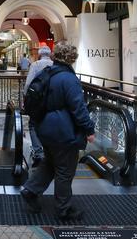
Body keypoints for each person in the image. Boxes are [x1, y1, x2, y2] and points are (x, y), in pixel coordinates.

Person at [20, 43, 95, 221]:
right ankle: (63, 209)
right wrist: (89, 129)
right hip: (63, 132)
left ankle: (30, 190)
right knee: (65, 170)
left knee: (51, 163)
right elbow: (79, 108)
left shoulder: (46, 73)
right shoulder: (68, 79)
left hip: (44, 128)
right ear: (71, 59)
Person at [23, 45, 54, 167]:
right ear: (50, 54)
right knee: (49, 124)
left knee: (33, 125)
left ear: (40, 54)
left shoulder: (35, 65)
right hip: (51, 100)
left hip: (37, 101)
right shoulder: (54, 65)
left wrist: (25, 97)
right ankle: (49, 153)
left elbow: (28, 83)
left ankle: (38, 153)